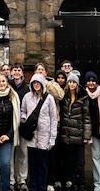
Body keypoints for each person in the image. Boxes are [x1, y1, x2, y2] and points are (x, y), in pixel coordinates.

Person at [21, 73, 58, 191]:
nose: (36, 85)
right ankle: (33, 187)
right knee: (32, 165)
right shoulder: (27, 97)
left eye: (38, 82)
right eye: (34, 83)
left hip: (44, 136)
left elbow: (53, 118)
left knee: (42, 165)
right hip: (31, 136)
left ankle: (42, 187)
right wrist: (24, 119)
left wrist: (53, 136)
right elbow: (23, 111)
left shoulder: (49, 98)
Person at [33, 63, 64, 191]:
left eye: (42, 70)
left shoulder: (52, 83)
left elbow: (60, 95)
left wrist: (46, 83)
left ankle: (50, 181)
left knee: (51, 155)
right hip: (36, 126)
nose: (40, 72)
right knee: (38, 156)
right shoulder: (33, 84)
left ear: (46, 73)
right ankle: (39, 182)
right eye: (38, 70)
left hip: (51, 124)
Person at [59, 73, 91, 191]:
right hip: (67, 133)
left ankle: (81, 181)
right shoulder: (64, 96)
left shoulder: (83, 97)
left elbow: (87, 118)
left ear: (77, 84)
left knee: (80, 161)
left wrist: (86, 135)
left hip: (78, 133)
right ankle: (71, 181)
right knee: (69, 160)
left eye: (74, 82)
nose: (72, 84)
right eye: (70, 82)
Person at [9, 63, 30, 191]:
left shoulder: (27, 88)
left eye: (19, 70)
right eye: (14, 70)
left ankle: (22, 179)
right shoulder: (7, 86)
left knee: (23, 152)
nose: (16, 72)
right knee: (10, 154)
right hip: (9, 125)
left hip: (23, 125)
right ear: (11, 72)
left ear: (22, 73)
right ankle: (11, 180)